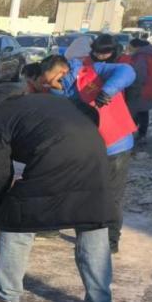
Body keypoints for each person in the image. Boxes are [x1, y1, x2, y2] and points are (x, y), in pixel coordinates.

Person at [0, 86, 115, 302]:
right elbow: (89, 113)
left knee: (14, 221)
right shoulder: (38, 100)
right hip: (95, 155)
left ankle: (6, 293)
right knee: (92, 222)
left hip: (55, 157)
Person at [56, 33, 137, 253]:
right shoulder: (62, 83)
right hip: (87, 147)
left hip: (115, 144)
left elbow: (127, 72)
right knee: (84, 191)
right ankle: (85, 232)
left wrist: (107, 91)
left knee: (110, 194)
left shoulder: (97, 70)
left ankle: (110, 240)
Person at [121, 38, 152, 142]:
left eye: (130, 46)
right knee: (143, 112)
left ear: (136, 47)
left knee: (137, 112)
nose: (129, 48)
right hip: (149, 88)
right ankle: (141, 133)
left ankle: (135, 134)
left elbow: (140, 75)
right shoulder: (148, 55)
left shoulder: (140, 57)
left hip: (141, 89)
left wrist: (130, 84)